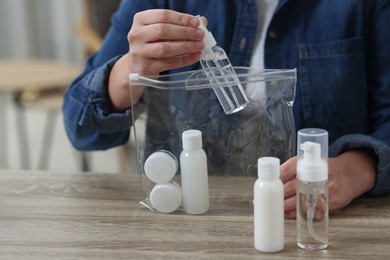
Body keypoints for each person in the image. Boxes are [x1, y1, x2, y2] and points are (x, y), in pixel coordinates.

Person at [63, 0, 390, 218]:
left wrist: (355, 170)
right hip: (185, 220)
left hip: (308, 221)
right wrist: (128, 72)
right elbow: (80, 129)